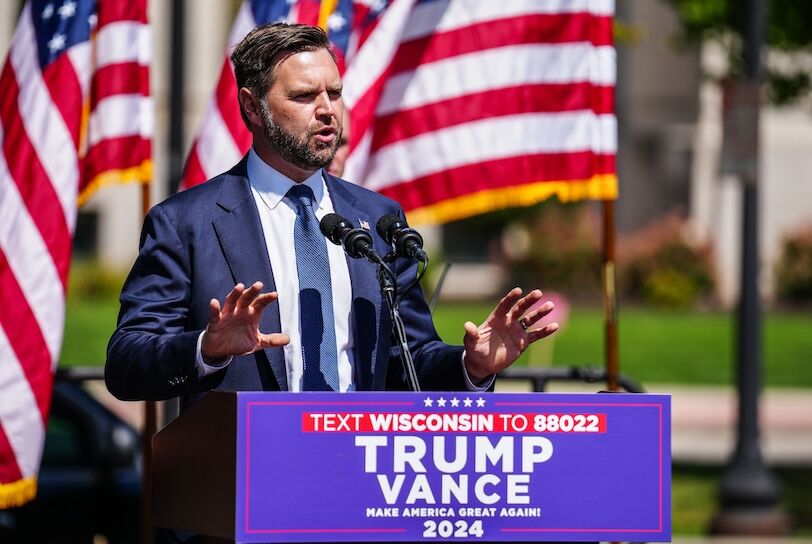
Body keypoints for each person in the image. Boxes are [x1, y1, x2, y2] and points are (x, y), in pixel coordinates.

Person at [105, 23, 558, 407]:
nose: (327, 111)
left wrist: (471, 365)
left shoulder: (378, 219)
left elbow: (409, 360)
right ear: (251, 107)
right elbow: (125, 363)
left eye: (335, 93)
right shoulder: (188, 222)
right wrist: (208, 347)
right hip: (244, 478)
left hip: (357, 478)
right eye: (304, 96)